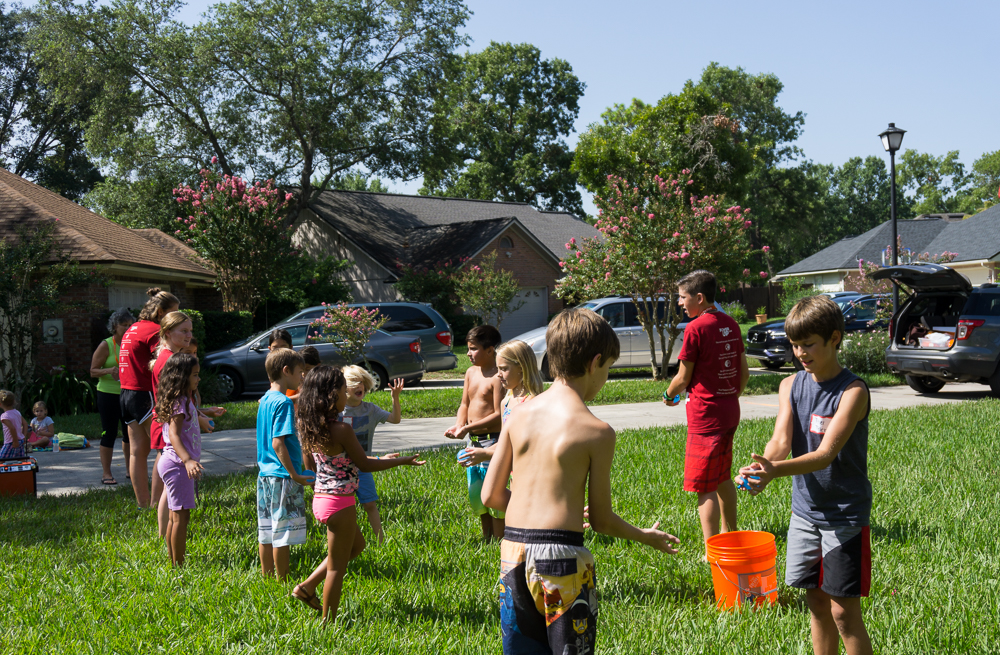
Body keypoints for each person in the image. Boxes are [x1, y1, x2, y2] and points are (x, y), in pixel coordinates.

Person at [482, 309, 680, 654]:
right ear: (595, 362)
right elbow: (602, 520)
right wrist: (644, 536)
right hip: (563, 558)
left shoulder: (519, 415)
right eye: (608, 368)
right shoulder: (597, 431)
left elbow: (491, 495)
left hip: (512, 552)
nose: (605, 378)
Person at [737, 296, 873, 655]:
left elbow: (825, 454)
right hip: (805, 514)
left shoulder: (853, 391)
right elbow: (781, 441)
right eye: (795, 344)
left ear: (834, 338)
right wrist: (761, 466)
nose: (800, 353)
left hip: (844, 516)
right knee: (815, 602)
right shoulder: (791, 385)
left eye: (808, 344)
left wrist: (775, 471)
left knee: (844, 613)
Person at [290, 365, 423, 622]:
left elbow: (314, 466)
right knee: (336, 568)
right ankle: (329, 623)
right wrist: (401, 461)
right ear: (331, 395)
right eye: (343, 391)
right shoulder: (342, 429)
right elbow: (364, 464)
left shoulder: (308, 427)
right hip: (340, 503)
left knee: (357, 546)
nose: (345, 395)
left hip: (322, 499)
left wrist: (380, 458)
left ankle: (306, 587)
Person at [663, 270, 749, 545]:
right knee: (722, 477)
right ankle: (730, 534)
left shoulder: (696, 328)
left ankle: (712, 549)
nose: (680, 302)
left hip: (706, 417)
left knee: (704, 486)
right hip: (730, 411)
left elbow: (682, 378)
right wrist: (729, 396)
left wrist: (668, 394)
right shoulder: (731, 324)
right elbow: (744, 373)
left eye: (682, 297)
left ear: (699, 298)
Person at [458, 339, 544, 541]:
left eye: (504, 369)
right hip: (514, 472)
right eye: (498, 368)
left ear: (521, 368)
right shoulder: (508, 399)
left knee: (525, 520)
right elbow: (505, 441)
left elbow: (522, 446)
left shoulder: (533, 403)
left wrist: (486, 453)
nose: (498, 374)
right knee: (504, 510)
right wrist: (482, 453)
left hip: (531, 474)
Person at [119, 288, 180, 507]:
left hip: (126, 394)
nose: (176, 317)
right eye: (173, 312)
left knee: (137, 452)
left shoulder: (133, 328)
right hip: (145, 394)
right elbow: (165, 361)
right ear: (161, 312)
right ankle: (157, 503)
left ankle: (143, 504)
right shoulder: (155, 331)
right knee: (164, 448)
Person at [444, 324, 504, 540]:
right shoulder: (470, 372)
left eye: (473, 349)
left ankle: (500, 540)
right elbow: (465, 404)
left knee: (493, 495)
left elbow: (499, 414)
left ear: (490, 350)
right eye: (468, 348)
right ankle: (487, 540)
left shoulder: (498, 377)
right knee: (477, 496)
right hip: (474, 442)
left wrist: (468, 428)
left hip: (492, 442)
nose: (468, 353)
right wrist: (459, 425)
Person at [256, 348, 311, 580]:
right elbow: (278, 442)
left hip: (265, 476)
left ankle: (267, 576)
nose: (302, 377)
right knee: (282, 533)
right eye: (300, 372)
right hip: (283, 476)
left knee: (266, 531)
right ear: (286, 371)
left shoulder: (265, 400)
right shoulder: (284, 403)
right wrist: (295, 474)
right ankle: (282, 579)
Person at [339, 364, 403, 544]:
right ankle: (346, 541)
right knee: (344, 506)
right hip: (340, 467)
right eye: (353, 383)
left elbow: (395, 419)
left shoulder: (371, 409)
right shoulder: (337, 411)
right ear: (343, 388)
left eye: (361, 382)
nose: (359, 386)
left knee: (370, 504)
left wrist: (395, 398)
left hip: (363, 465)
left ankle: (380, 541)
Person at [153, 353, 204, 567]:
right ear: (182, 377)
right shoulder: (180, 401)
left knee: (176, 518)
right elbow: (174, 435)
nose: (198, 379)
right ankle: (178, 566)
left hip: (172, 463)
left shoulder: (181, 399)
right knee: (180, 519)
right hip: (177, 465)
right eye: (195, 375)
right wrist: (188, 460)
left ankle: (174, 562)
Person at [91, 307, 135, 484]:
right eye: (124, 325)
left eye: (130, 325)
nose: (128, 328)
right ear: (115, 326)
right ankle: (106, 473)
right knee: (109, 433)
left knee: (129, 433)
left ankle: (130, 470)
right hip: (108, 394)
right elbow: (93, 371)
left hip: (128, 393)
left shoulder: (132, 344)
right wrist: (109, 370)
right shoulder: (106, 344)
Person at [0, 390, 27, 459]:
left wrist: (15, 441)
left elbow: (12, 428)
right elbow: (25, 423)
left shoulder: (4, 416)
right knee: (21, 459)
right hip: (20, 440)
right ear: (13, 402)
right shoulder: (17, 413)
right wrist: (24, 436)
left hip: (10, 442)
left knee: (1, 459)